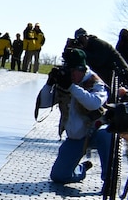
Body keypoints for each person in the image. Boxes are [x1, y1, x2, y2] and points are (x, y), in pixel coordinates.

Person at [47, 45, 111, 191]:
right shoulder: (65, 82)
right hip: (76, 138)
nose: (71, 75)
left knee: (106, 134)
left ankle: (109, 180)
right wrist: (49, 83)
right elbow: (44, 103)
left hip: (94, 132)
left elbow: (93, 103)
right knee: (58, 176)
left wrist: (71, 87)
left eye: (73, 71)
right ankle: (80, 170)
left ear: (82, 70)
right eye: (68, 71)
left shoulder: (95, 82)